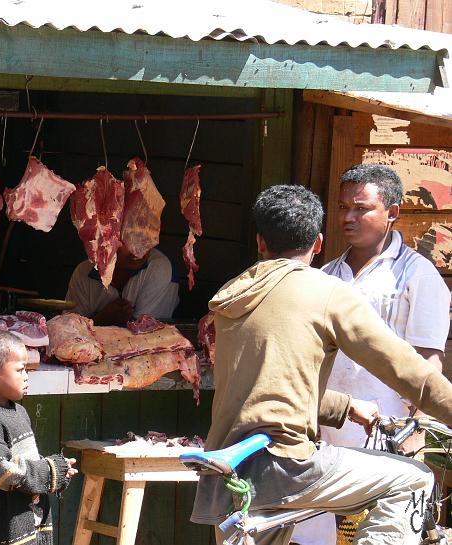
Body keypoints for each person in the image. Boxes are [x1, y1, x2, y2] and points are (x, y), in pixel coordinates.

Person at [189, 185, 452, 545]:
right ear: (318, 242)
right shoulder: (326, 291)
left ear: (260, 243)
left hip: (230, 470)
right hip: (286, 463)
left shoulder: (234, 297)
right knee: (414, 482)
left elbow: (268, 389)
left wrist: (346, 406)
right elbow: (409, 371)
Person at [292, 165, 450, 545]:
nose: (347, 217)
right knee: (312, 537)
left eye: (360, 208)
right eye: (343, 206)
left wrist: (417, 435)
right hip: (325, 438)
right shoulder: (326, 274)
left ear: (392, 212)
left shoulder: (417, 275)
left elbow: (427, 362)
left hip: (385, 439)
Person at [0, 329, 77, 545]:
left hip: (28, 523)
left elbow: (25, 464)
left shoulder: (19, 412)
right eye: (21, 369)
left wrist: (57, 472)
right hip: (1, 532)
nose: (27, 376)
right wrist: (50, 471)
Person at [66, 244, 179, 325]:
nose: (139, 249)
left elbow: (148, 336)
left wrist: (98, 321)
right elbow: (70, 330)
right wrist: (103, 318)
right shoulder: (84, 272)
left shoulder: (159, 268)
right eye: (127, 239)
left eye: (147, 238)